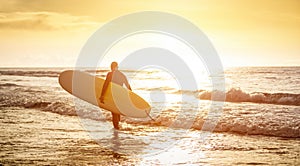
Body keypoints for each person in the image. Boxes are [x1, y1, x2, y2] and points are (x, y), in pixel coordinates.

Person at [100, 62, 131, 129]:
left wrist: (102, 95)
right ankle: (118, 128)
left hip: (113, 95)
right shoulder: (122, 75)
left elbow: (105, 85)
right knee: (117, 111)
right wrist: (130, 98)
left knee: (114, 112)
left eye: (112, 67)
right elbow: (128, 87)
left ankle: (116, 128)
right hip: (120, 96)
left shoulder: (110, 74)